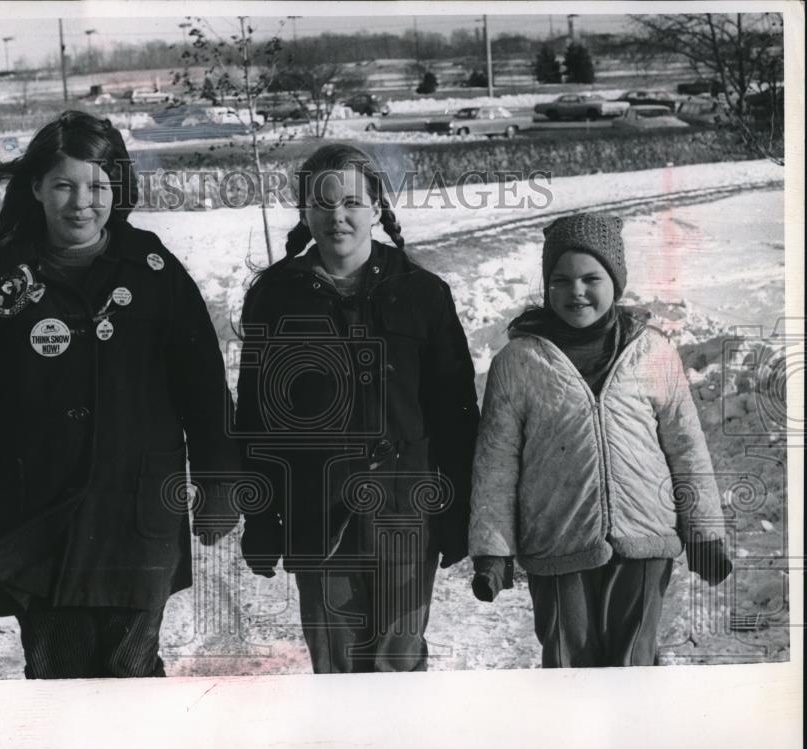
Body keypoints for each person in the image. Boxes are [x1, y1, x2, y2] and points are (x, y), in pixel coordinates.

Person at [0, 110, 238, 679]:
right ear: (36, 187)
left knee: (131, 670)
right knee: (56, 672)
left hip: (136, 517)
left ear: (118, 188)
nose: (80, 202)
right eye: (63, 184)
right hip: (36, 519)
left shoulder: (154, 271)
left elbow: (205, 388)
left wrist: (222, 481)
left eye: (97, 186)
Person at [235, 143, 478, 673]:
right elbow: (255, 417)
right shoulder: (277, 297)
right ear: (304, 211)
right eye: (321, 203)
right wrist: (261, 521)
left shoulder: (424, 294)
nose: (336, 216)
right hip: (318, 515)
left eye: (350, 201)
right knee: (337, 669)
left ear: (374, 207)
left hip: (408, 514)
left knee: (399, 662)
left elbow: (456, 415)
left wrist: (460, 517)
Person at [468, 212, 733, 668]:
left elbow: (686, 445)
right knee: (570, 666)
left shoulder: (652, 352)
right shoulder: (518, 361)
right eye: (561, 280)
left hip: (644, 538)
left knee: (635, 664)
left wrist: (703, 531)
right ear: (547, 286)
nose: (576, 291)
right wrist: (492, 550)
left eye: (592, 277)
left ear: (616, 281)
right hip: (557, 542)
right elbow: (496, 463)